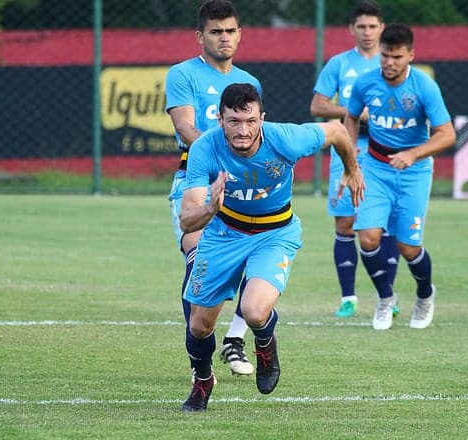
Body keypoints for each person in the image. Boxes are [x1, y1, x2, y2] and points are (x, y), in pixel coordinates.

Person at [179, 83, 364, 411]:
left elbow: (337, 130)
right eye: (234, 121)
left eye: (250, 120)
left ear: (262, 118)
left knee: (253, 310)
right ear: (220, 120)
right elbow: (186, 219)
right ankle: (203, 380)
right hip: (224, 234)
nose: (243, 129)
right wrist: (210, 208)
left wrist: (352, 169)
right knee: (199, 324)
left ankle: (264, 343)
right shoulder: (204, 149)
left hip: (275, 234)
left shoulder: (285, 139)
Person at [165, 0, 261, 376]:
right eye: (216, 31)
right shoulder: (183, 74)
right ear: (200, 36)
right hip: (195, 179)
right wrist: (219, 158)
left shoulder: (249, 83)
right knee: (199, 258)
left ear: (240, 34)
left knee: (250, 261)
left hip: (243, 186)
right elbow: (186, 129)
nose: (224, 38)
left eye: (230, 31)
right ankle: (199, 357)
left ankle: (235, 340)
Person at [344, 23, 456, 331]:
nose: (389, 63)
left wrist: (414, 154)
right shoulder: (366, 83)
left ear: (410, 56)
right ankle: (385, 298)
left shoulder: (424, 87)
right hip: (376, 168)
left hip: (414, 171)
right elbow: (351, 117)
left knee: (408, 247)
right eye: (384, 56)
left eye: (396, 56)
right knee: (367, 237)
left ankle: (424, 294)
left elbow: (447, 135)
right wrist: (350, 157)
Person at [310, 1, 401, 319]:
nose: (367, 32)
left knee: (385, 224)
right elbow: (318, 106)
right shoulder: (338, 64)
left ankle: (388, 295)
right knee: (346, 223)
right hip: (347, 150)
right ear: (352, 30)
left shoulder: (392, 64)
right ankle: (348, 297)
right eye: (361, 26)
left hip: (385, 153)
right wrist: (351, 112)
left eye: (373, 26)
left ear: (382, 28)